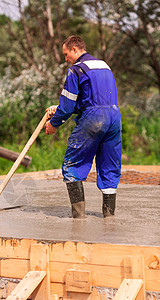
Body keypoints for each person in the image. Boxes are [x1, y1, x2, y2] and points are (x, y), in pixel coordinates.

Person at [45, 35, 122, 218]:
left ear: (74, 50)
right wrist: (61, 108)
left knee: (72, 165)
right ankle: (109, 218)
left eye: (66, 54)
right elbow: (94, 98)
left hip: (94, 118)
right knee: (109, 166)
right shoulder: (104, 66)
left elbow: (68, 107)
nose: (66, 59)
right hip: (114, 117)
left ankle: (78, 221)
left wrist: (54, 123)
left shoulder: (76, 70)